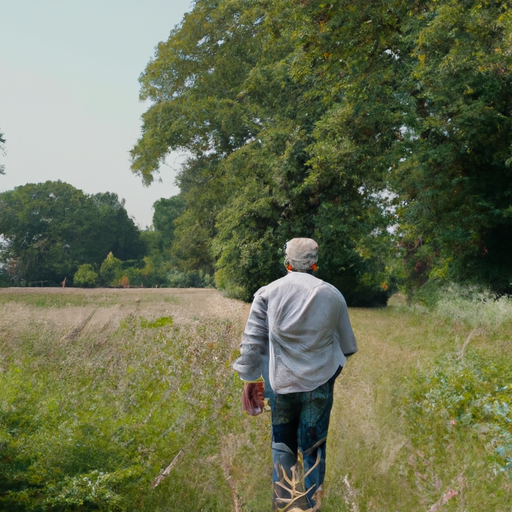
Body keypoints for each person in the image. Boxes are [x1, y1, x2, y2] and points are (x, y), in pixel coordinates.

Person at [233, 238, 358, 511]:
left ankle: (286, 506)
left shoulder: (267, 293)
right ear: (315, 263)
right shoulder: (332, 295)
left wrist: (251, 381)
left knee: (282, 446)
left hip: (280, 387)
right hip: (320, 387)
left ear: (287, 262)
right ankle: (313, 506)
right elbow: (348, 347)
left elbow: (252, 342)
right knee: (313, 448)